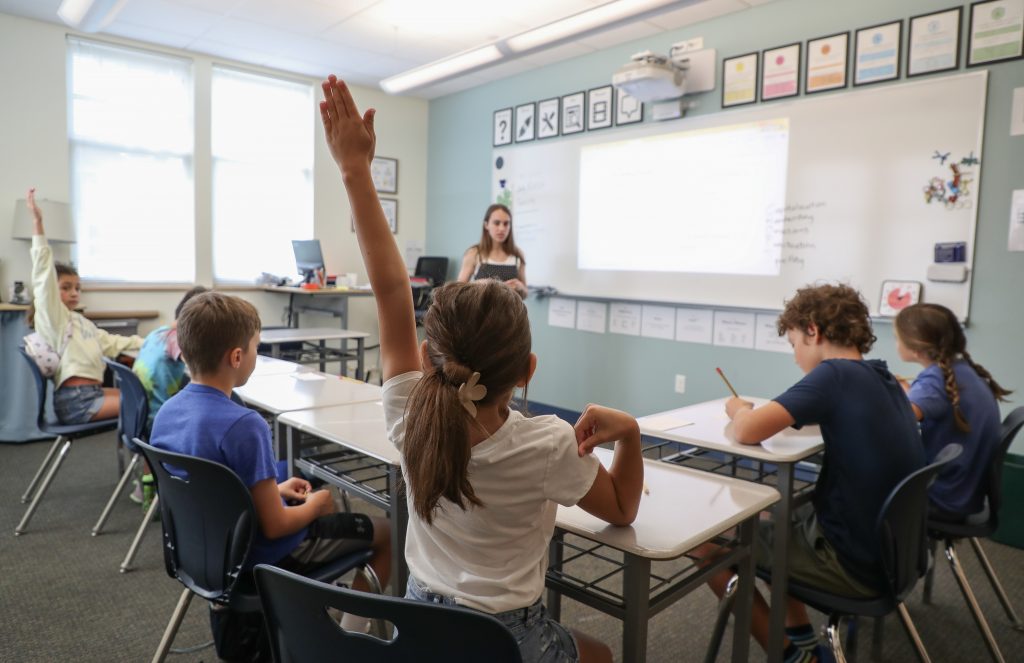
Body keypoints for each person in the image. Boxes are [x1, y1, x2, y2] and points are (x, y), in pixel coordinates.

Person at [320, 74, 643, 663]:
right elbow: (622, 509)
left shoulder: (406, 416)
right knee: (603, 655)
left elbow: (392, 291)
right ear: (528, 371)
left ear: (427, 359)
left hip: (417, 625)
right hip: (506, 640)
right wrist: (633, 436)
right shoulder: (549, 445)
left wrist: (353, 170)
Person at [694, 284, 925, 663]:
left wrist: (738, 408)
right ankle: (802, 641)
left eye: (795, 344)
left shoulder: (832, 376)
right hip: (894, 555)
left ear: (813, 331)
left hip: (851, 563)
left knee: (708, 548)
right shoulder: (881, 377)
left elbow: (748, 430)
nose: (796, 356)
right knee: (777, 516)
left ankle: (790, 655)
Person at [149, 290, 390, 633]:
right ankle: (347, 637)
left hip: (202, 554)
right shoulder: (245, 425)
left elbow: (212, 488)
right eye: (256, 348)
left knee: (312, 500)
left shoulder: (168, 412)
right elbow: (276, 526)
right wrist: (318, 504)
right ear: (236, 356)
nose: (256, 355)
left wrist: (273, 489)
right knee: (385, 533)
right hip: (260, 560)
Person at [26, 187, 143, 424]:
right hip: (77, 401)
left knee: (144, 397)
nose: (74, 293)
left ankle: (136, 458)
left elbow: (115, 342)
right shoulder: (54, 320)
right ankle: (143, 460)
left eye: (77, 288)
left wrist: (157, 339)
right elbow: (42, 275)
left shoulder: (79, 322)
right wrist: (38, 225)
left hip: (91, 394)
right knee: (147, 405)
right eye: (66, 287)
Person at [894, 302, 1012, 520]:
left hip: (942, 497)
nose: (895, 343)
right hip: (964, 493)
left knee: (857, 485)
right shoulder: (962, 371)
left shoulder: (934, 381)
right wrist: (911, 393)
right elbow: (929, 404)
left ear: (917, 347)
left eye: (897, 338)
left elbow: (895, 424)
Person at [129, 285, 207, 509]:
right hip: (158, 417)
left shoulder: (157, 332)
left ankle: (145, 484)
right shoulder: (177, 339)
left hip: (139, 415)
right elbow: (198, 367)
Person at [456, 203, 528, 298]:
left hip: (510, 312)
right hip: (481, 312)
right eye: (497, 223)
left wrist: (520, 288)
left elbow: (525, 293)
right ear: (486, 225)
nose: (502, 228)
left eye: (506, 224)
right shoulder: (474, 253)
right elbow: (457, 290)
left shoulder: (517, 254)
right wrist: (478, 284)